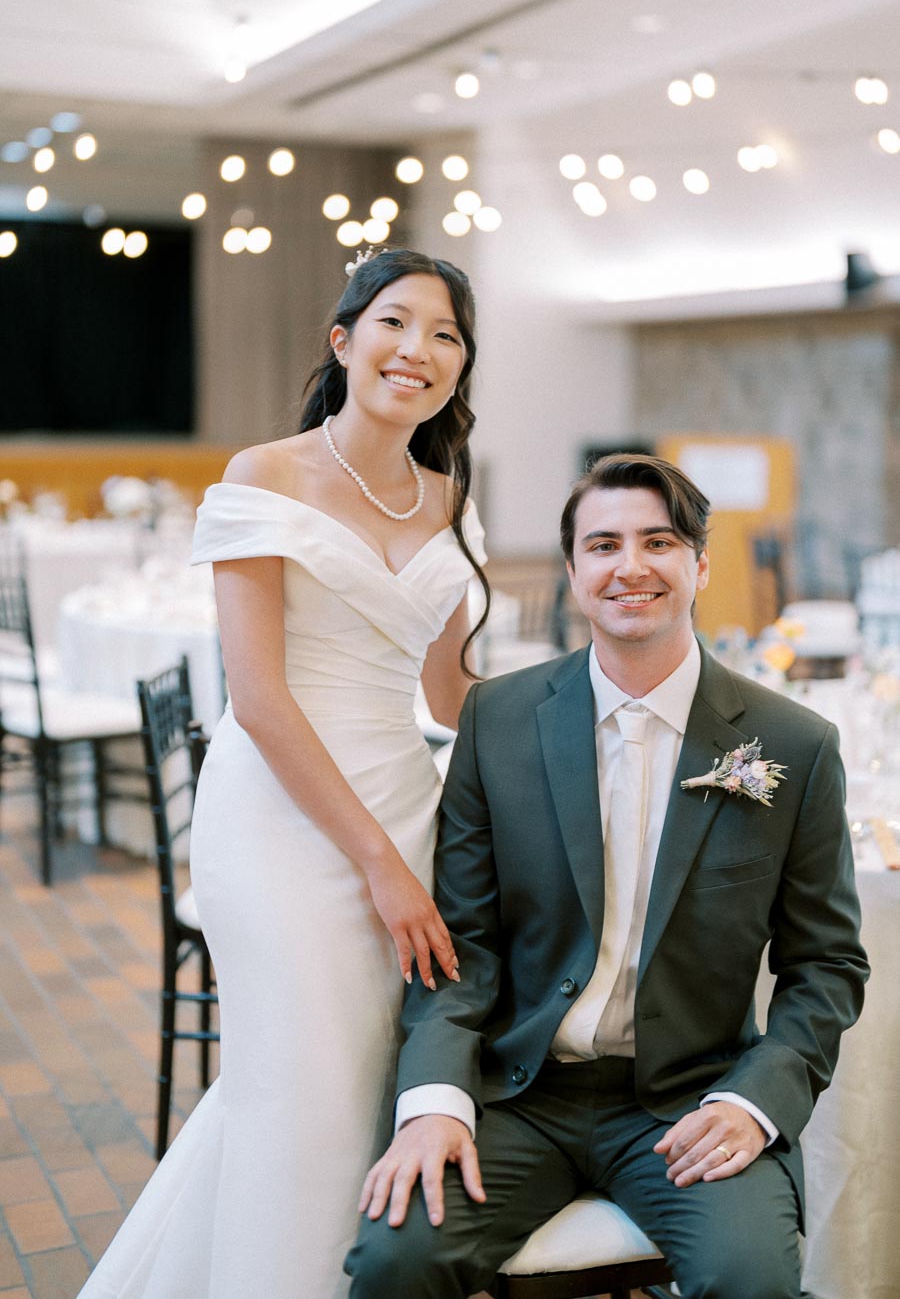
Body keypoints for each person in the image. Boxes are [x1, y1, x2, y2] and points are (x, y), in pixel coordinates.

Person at [346, 452, 869, 1299]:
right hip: (520, 1092)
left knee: (752, 1282)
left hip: (694, 1102)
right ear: (574, 571)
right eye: (603, 545)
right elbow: (463, 946)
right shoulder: (497, 721)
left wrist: (753, 1102)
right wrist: (436, 1100)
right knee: (395, 1261)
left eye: (658, 542)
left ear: (699, 565)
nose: (631, 566)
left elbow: (827, 967)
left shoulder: (793, 746)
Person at [78, 246, 490, 1299]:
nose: (420, 350)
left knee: (359, 1087)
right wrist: (378, 866)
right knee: (300, 1088)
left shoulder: (451, 499)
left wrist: (590, 722)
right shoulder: (264, 473)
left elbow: (452, 699)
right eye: (398, 322)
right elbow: (257, 700)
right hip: (276, 822)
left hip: (406, 805)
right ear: (345, 340)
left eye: (447, 335)